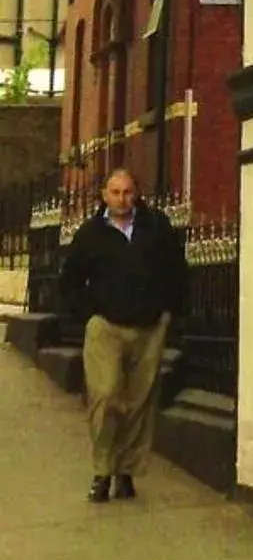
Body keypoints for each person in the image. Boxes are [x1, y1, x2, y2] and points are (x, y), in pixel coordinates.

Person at [58, 169, 189, 502]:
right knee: (105, 397)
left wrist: (168, 312)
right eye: (115, 192)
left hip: (149, 326)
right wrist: (89, 312)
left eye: (128, 192)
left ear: (137, 193)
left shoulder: (156, 227)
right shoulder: (90, 234)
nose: (122, 199)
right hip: (106, 327)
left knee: (139, 403)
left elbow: (177, 270)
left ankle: (127, 471)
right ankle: (102, 470)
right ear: (104, 195)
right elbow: (70, 279)